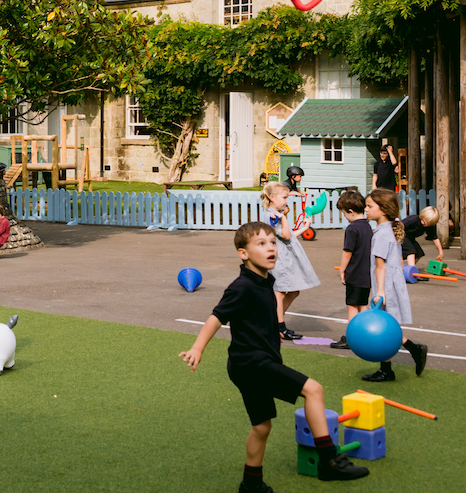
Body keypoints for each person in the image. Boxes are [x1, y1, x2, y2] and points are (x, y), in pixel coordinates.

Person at [179, 222, 369, 493]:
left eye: (272, 242)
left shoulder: (266, 280)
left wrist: (274, 329)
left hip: (249, 363)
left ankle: (251, 484)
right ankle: (329, 462)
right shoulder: (242, 286)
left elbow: (260, 312)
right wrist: (198, 348)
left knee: (261, 427)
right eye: (261, 244)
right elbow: (217, 317)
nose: (270, 248)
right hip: (252, 363)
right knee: (313, 390)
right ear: (243, 253)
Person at [361, 189, 428, 382]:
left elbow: (380, 266)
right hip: (392, 283)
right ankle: (387, 369)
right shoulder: (390, 228)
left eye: (369, 206)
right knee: (386, 327)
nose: (366, 209)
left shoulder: (381, 234)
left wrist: (380, 291)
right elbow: (398, 260)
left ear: (383, 209)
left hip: (385, 287)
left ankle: (412, 350)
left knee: (386, 329)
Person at [261, 183, 319, 341]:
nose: (287, 201)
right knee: (279, 292)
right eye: (284, 198)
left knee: (293, 291)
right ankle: (279, 327)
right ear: (272, 198)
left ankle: (274, 321)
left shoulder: (277, 214)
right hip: (280, 260)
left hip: (286, 258)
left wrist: (304, 227)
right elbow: (286, 236)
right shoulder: (272, 216)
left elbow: (289, 235)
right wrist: (284, 217)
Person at [331, 191, 371, 351]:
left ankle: (351, 337)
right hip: (366, 274)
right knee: (362, 305)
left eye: (344, 214)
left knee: (352, 306)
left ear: (350, 211)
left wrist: (342, 270)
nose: (345, 217)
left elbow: (347, 251)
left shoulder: (352, 228)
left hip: (355, 273)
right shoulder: (368, 226)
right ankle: (365, 334)